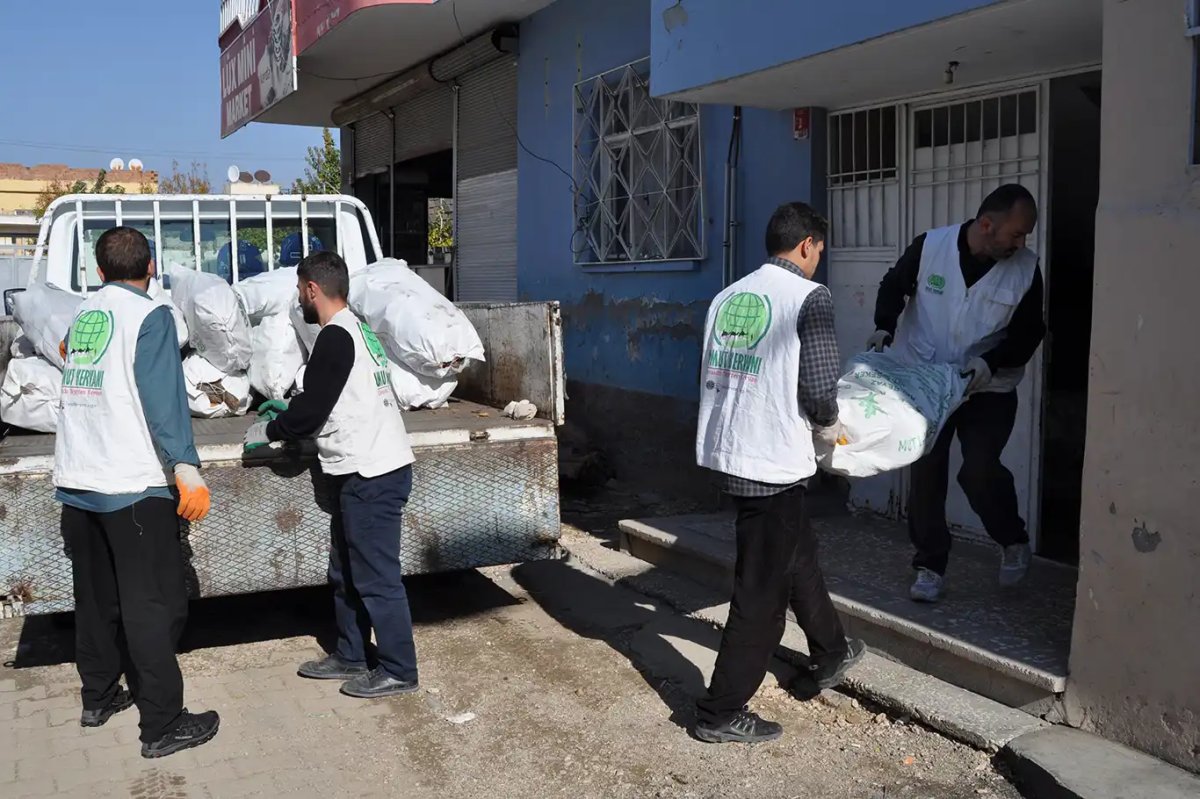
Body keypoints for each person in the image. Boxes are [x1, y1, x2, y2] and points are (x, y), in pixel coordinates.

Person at [693, 202, 866, 744]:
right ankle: (719, 712)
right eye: (821, 251)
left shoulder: (729, 295)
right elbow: (818, 391)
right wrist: (836, 428)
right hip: (771, 459)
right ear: (809, 245)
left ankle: (831, 652)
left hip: (734, 449)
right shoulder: (809, 298)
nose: (821, 260)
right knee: (761, 595)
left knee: (797, 558)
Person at [54, 226, 219, 759]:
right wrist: (185, 468)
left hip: (79, 481)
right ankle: (163, 723)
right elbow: (162, 399)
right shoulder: (150, 316)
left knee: (96, 600)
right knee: (150, 605)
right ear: (151, 268)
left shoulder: (85, 315)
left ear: (98, 272)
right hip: (131, 484)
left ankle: (98, 697)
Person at [243, 251, 419, 698]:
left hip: (372, 474)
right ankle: (351, 653)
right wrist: (293, 407)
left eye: (300, 291)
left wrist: (270, 429)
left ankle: (399, 668)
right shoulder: (357, 331)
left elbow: (310, 415)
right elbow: (330, 396)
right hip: (366, 468)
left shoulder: (335, 338)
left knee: (377, 578)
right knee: (344, 570)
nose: (299, 299)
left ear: (311, 290)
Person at [867, 184, 1047, 603]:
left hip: (987, 385)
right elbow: (894, 286)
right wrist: (884, 325)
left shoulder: (1025, 269)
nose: (1022, 243)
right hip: (928, 381)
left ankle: (1012, 539)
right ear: (987, 225)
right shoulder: (931, 246)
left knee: (979, 469)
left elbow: (1029, 331)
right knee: (926, 471)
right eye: (1017, 234)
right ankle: (930, 564)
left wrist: (992, 362)